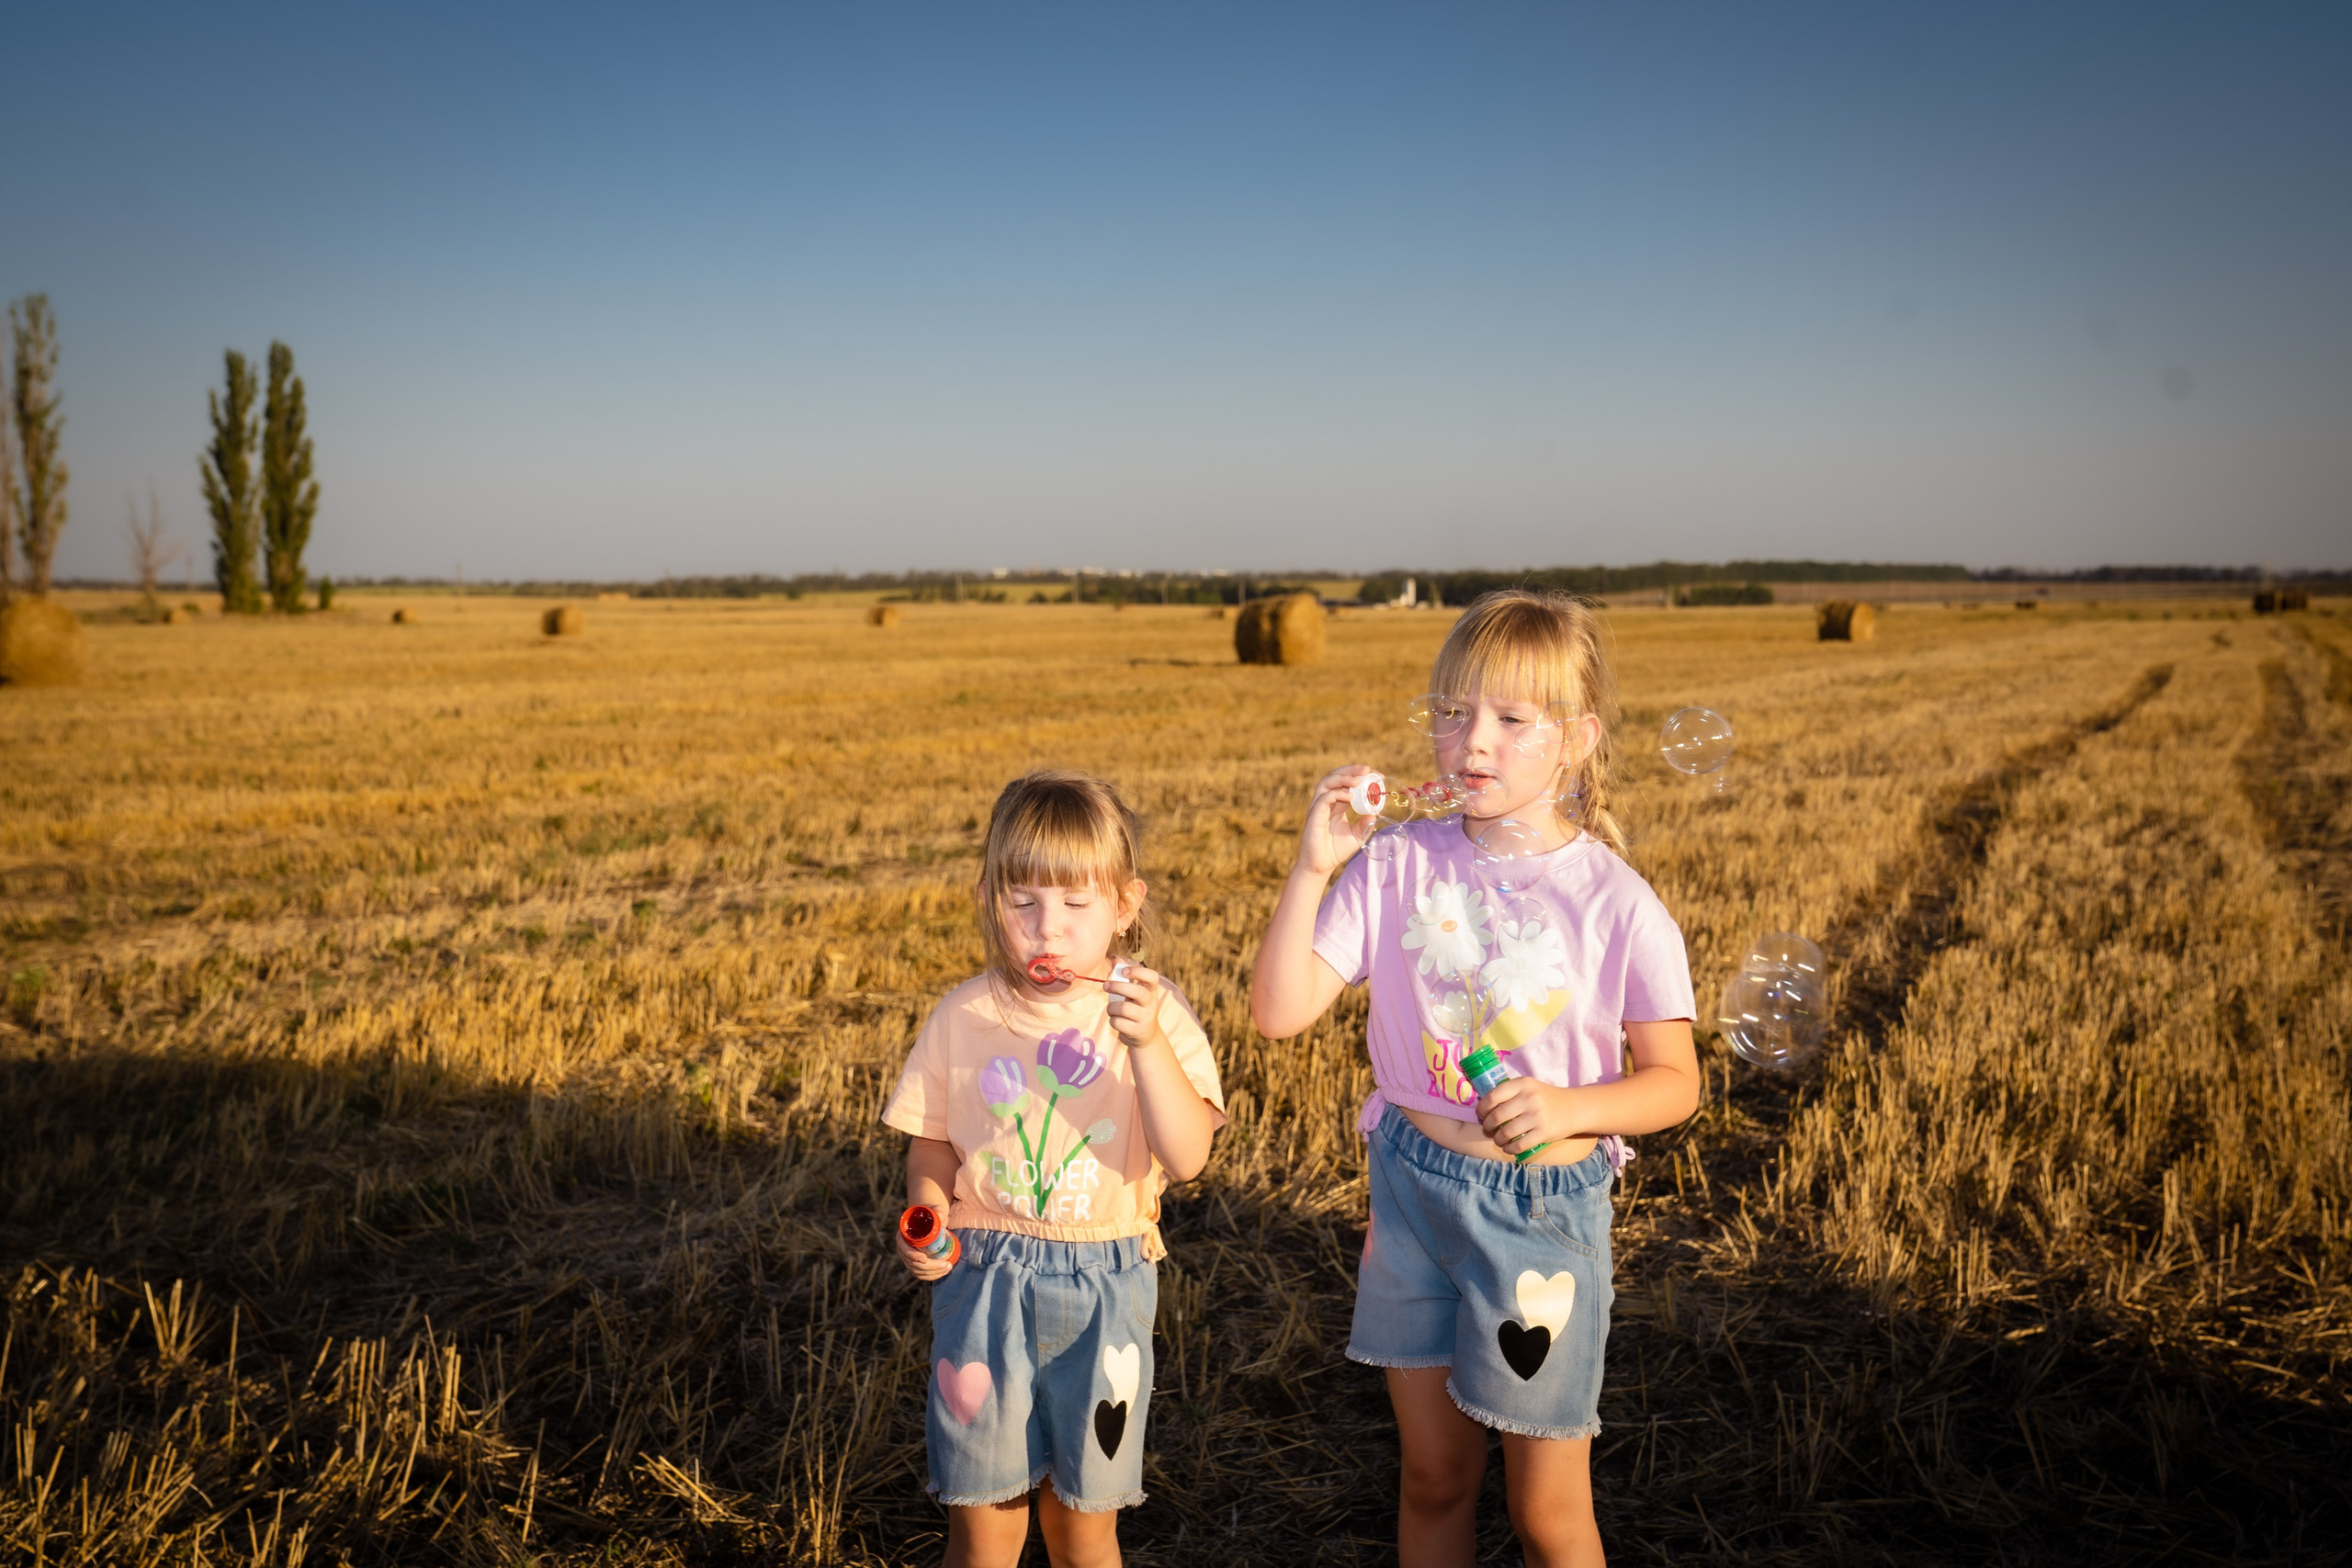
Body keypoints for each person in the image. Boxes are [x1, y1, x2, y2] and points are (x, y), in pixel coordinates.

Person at [1250, 589, 1701, 1568]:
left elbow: (1675, 1082)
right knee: (1434, 1478)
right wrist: (1312, 867)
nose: (1471, 743)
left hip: (1541, 1212)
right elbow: (1278, 1014)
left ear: (1575, 739)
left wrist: (1573, 1107)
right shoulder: (1397, 864)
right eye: (1452, 714)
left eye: (1508, 718)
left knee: (1546, 1514)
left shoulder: (1617, 903)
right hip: (1411, 1191)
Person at [886, 770, 1226, 1568]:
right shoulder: (961, 1016)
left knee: (1084, 1526)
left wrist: (1146, 1048)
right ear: (988, 895)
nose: (1049, 930)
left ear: (1125, 905)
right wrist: (927, 1210)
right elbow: (932, 1142)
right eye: (1024, 902)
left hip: (1107, 1286)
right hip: (983, 1284)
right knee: (984, 1521)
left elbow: (1188, 1156)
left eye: (1077, 906)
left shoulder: (1154, 1013)